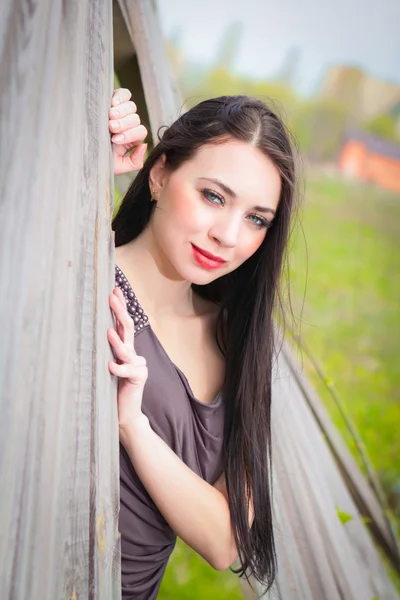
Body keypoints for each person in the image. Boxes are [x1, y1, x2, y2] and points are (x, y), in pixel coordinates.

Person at [106, 88, 297, 600]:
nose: (229, 235)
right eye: (214, 195)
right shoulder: (87, 284)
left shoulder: (235, 337)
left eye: (257, 218)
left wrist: (133, 427)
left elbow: (225, 540)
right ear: (161, 172)